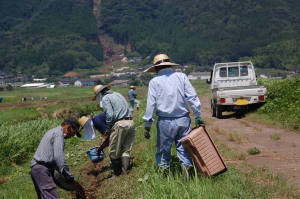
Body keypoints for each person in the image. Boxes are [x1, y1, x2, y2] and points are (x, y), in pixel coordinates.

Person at [142, 54, 205, 179]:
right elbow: (192, 97)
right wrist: (197, 115)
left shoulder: (154, 82)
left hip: (165, 121)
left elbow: (151, 105)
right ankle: (187, 178)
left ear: (156, 69)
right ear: (170, 65)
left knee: (164, 150)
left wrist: (147, 124)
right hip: (183, 119)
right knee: (183, 148)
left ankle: (166, 178)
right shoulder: (181, 77)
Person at [30, 117, 82, 199]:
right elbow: (58, 156)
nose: (72, 135)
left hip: (37, 170)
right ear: (68, 128)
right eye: (74, 132)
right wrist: (67, 174)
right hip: (42, 170)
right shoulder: (58, 134)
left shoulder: (53, 131)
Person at [92, 84, 135, 179]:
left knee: (113, 150)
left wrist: (109, 128)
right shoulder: (118, 94)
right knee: (126, 149)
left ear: (100, 94)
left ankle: (116, 174)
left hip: (120, 124)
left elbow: (110, 115)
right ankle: (125, 172)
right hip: (130, 122)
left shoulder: (106, 98)